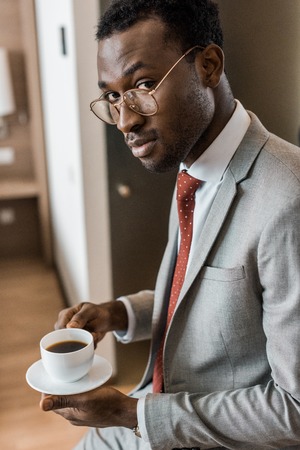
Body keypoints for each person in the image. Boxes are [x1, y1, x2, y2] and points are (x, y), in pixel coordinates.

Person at [40, 0, 300, 449]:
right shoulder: (192, 169)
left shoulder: (288, 199)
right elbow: (208, 292)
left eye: (143, 84)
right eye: (112, 95)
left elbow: (293, 412)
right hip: (161, 406)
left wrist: (131, 413)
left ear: (208, 65)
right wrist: (119, 313)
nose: (125, 120)